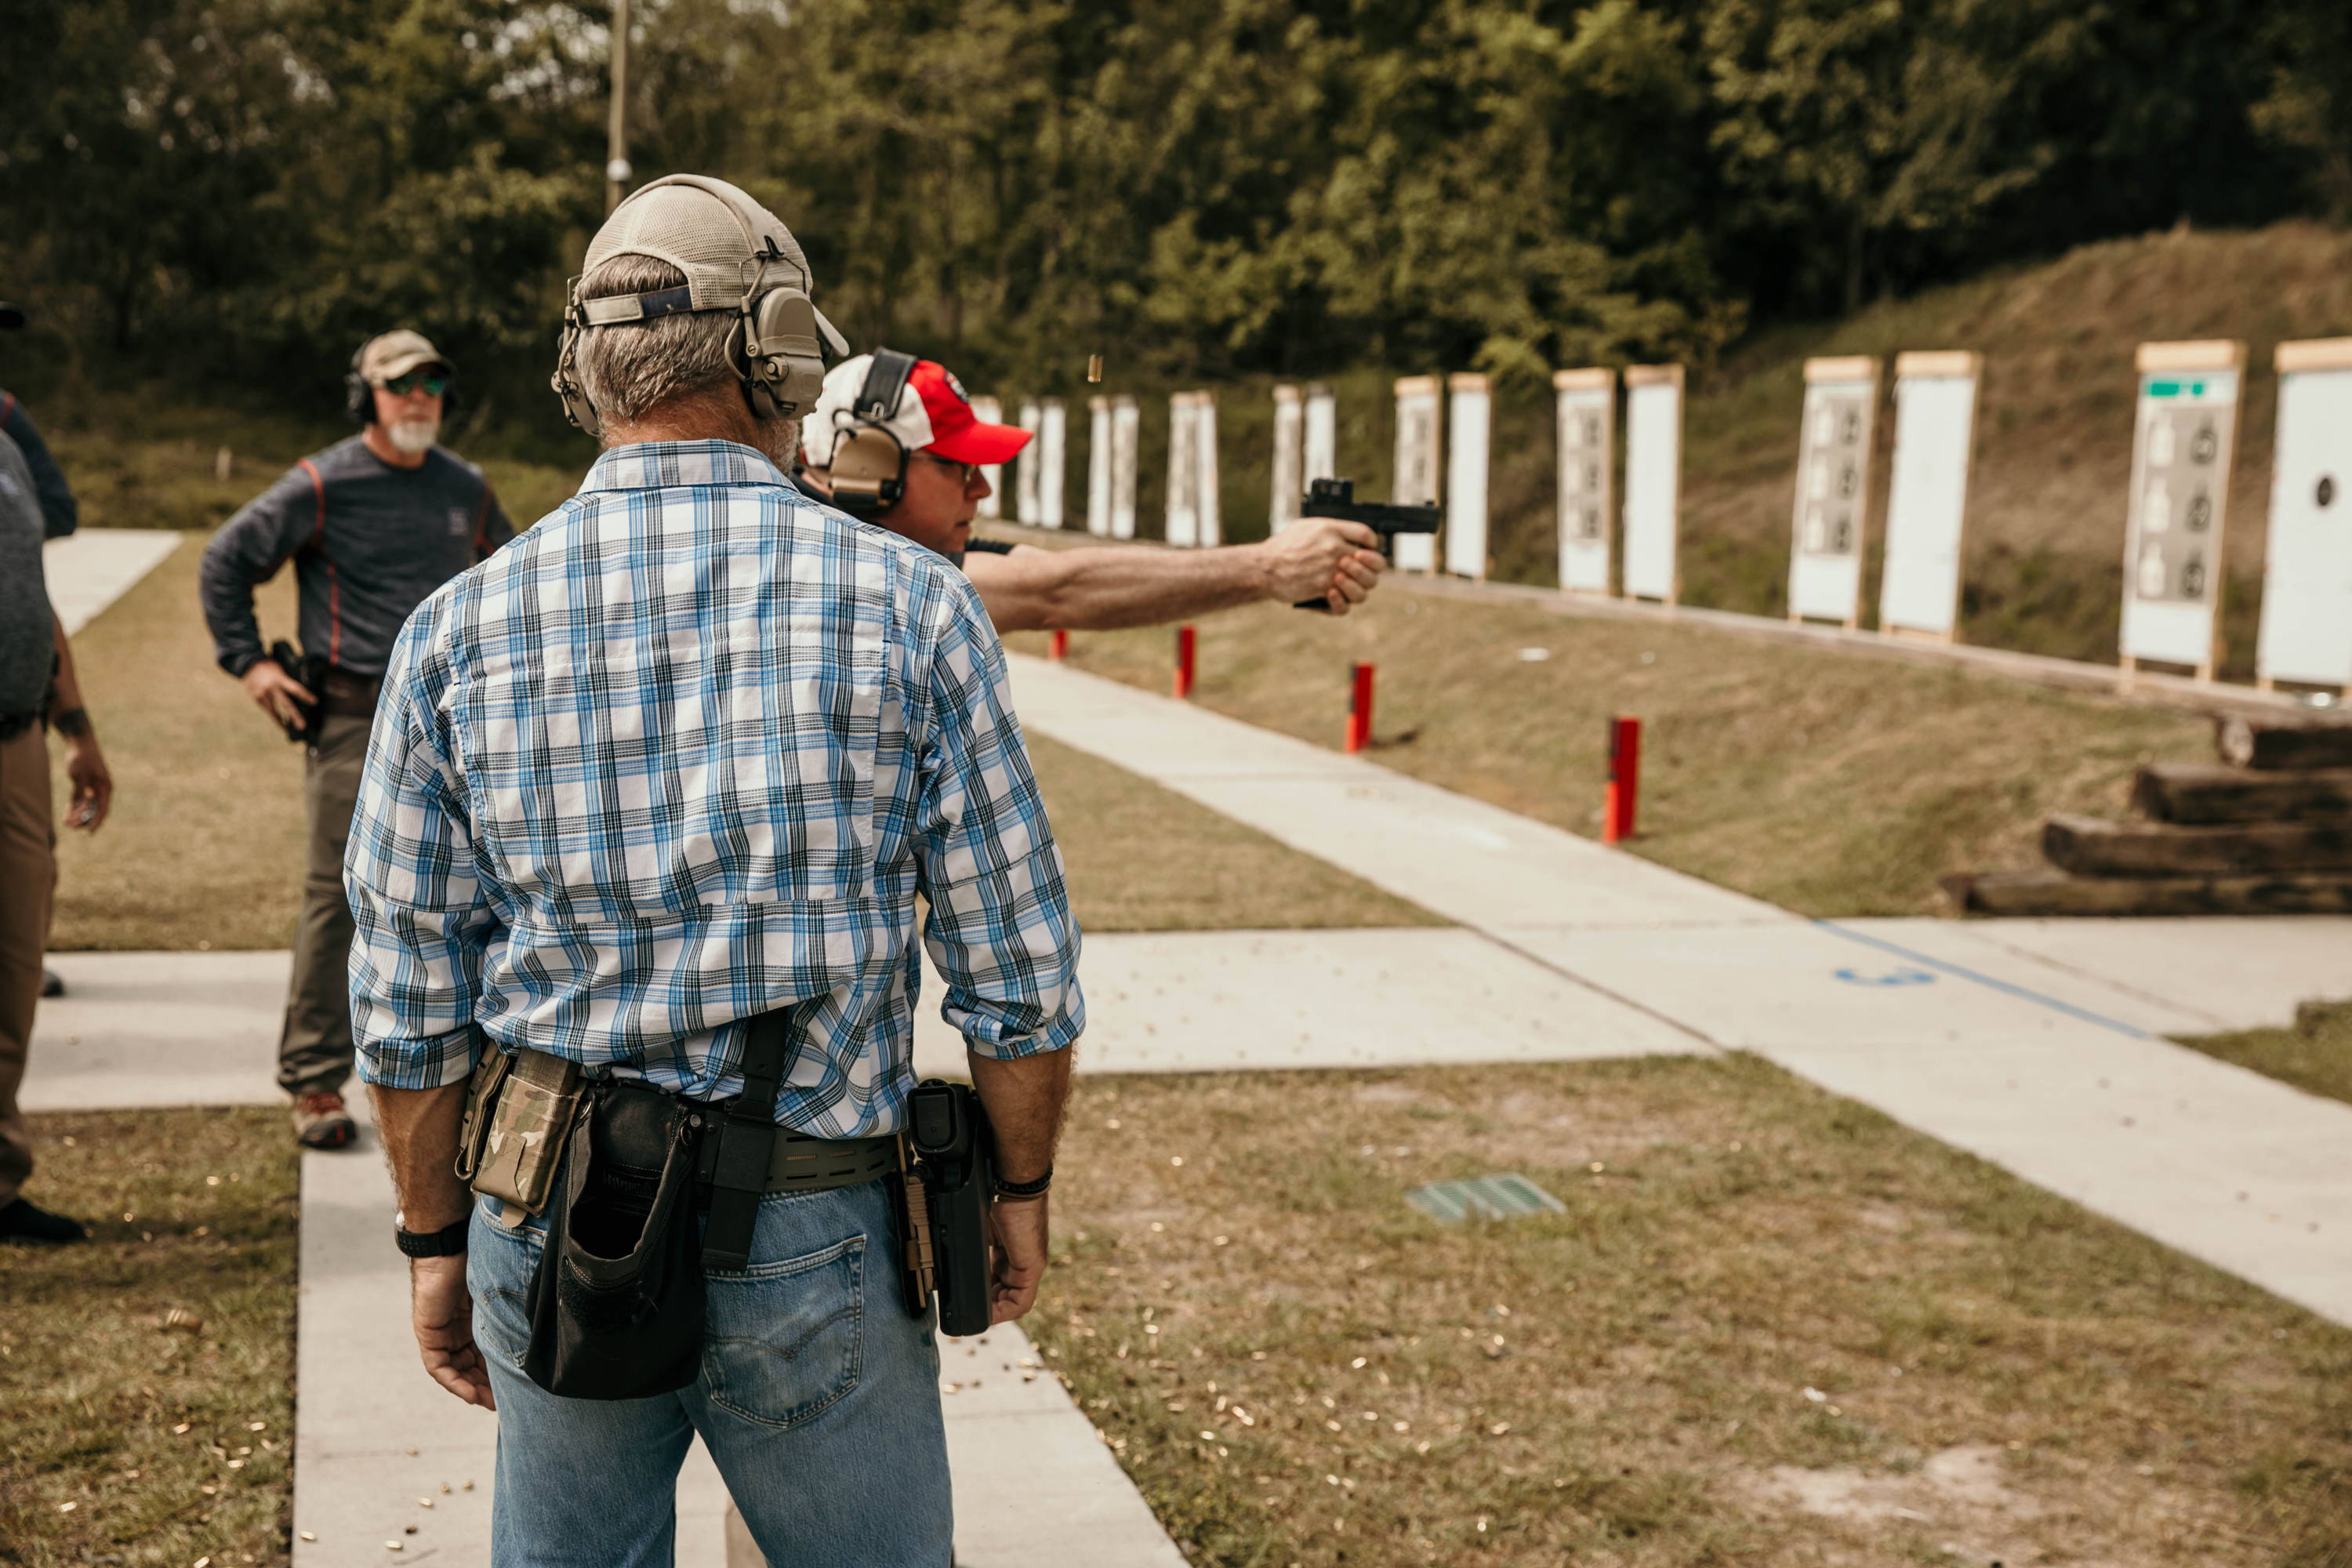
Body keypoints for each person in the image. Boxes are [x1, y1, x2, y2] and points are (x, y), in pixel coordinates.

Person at [347, 174, 1081, 1564]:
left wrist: (433, 1239)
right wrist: (1020, 1192)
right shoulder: (915, 607)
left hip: (546, 1208)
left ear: (584, 365)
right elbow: (1017, 969)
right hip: (818, 1227)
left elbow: (404, 996)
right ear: (784, 348)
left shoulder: (455, 629)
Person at [198, 331, 512, 1150]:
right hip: (350, 715)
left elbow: (509, 577)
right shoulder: (323, 482)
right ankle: (313, 1079)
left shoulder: (466, 488)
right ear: (364, 394)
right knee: (337, 896)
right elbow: (225, 560)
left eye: (434, 382)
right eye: (401, 382)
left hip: (454, 721)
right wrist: (251, 663)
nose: (419, 396)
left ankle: (465, 1068)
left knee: (469, 896)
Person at [799, 352, 1388, 626]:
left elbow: (1056, 576)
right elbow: (1057, 592)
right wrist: (1267, 568)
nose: (980, 489)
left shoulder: (878, 553)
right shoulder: (828, 565)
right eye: (958, 466)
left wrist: (1268, 569)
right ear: (868, 467)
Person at [1, 423, 114, 1245]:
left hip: (17, 741)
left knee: (15, 960)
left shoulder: (9, 451)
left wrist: (75, 726)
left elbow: (31, 595)